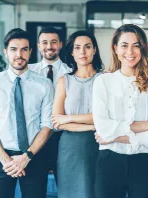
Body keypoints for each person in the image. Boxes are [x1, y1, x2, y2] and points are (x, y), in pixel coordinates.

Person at [93, 24, 148, 198]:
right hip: (109, 161)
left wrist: (115, 136)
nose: (130, 51)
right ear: (115, 48)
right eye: (124, 45)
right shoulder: (103, 82)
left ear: (143, 48)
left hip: (144, 162)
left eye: (136, 45)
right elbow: (103, 128)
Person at [0, 28, 54, 198]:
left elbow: (47, 125)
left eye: (24, 49)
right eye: (13, 49)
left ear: (31, 51)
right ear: (5, 52)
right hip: (1, 158)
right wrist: (7, 160)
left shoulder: (44, 84)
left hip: (34, 155)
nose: (19, 54)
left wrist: (26, 157)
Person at [51, 30, 103, 198]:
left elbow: (105, 117)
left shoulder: (105, 79)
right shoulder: (63, 81)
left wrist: (69, 118)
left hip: (100, 145)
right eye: (77, 47)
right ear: (72, 52)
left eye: (87, 47)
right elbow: (57, 122)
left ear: (94, 50)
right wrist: (93, 124)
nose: (82, 52)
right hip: (70, 148)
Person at [28, 27, 71, 195]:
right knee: (36, 188)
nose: (49, 46)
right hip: (36, 137)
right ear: (38, 46)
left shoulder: (70, 72)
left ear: (60, 44)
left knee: (65, 185)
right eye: (45, 42)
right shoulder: (29, 72)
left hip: (63, 137)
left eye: (54, 42)